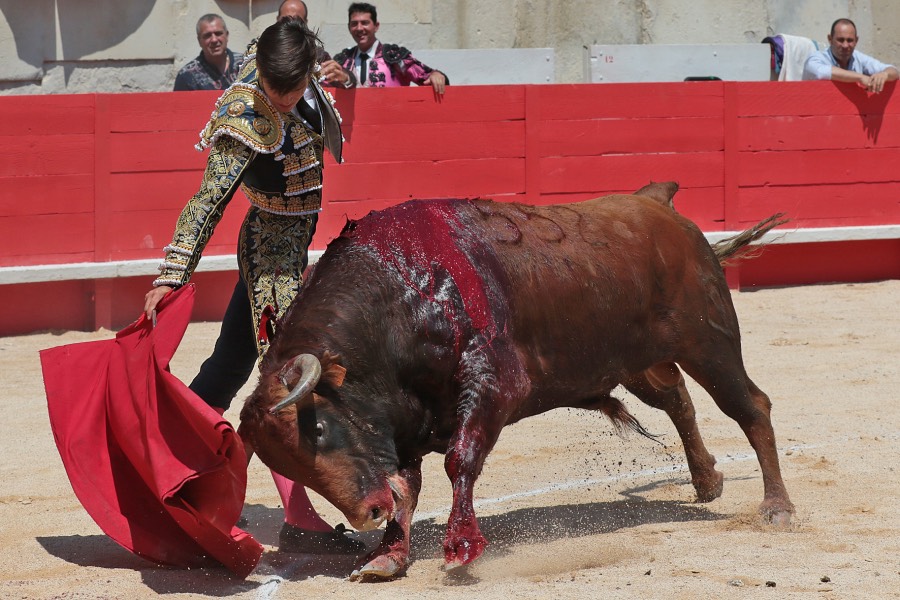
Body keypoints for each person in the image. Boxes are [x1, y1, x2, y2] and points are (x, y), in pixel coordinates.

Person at [145, 18, 361, 555]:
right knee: (290, 376)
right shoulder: (244, 113)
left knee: (230, 363)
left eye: (290, 92)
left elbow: (288, 33)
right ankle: (298, 515)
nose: (282, 103)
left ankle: (169, 451)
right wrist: (173, 274)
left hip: (293, 247)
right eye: (274, 91)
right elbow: (207, 201)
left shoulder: (296, 63)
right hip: (270, 258)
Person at [333, 2, 448, 95]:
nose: (359, 28)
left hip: (391, 120)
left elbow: (426, 78)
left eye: (365, 23)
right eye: (354, 24)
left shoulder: (394, 56)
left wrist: (436, 75)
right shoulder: (343, 60)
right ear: (349, 27)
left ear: (376, 26)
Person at [802, 18, 898, 93]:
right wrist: (860, 77)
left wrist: (884, 75)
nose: (845, 45)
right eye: (840, 40)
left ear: (856, 41)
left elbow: (894, 71)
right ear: (830, 39)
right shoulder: (815, 58)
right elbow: (821, 72)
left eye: (850, 40)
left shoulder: (858, 57)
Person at [277, 0, 357, 89]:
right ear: (277, 20)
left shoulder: (317, 55)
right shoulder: (263, 50)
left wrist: (344, 77)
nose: (291, 25)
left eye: (297, 20)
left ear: (305, 23)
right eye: (286, 20)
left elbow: (345, 82)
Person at [174, 14, 242, 91]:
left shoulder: (248, 65)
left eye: (218, 33)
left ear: (227, 35)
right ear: (199, 40)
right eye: (207, 35)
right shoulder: (187, 76)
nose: (214, 40)